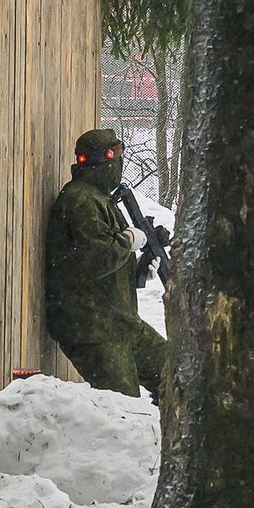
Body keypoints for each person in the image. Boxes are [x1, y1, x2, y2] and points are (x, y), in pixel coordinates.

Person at [45, 128, 170, 402]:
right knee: (122, 408)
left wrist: (138, 269)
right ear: (105, 160)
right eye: (116, 155)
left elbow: (98, 261)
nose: (119, 164)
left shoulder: (98, 198)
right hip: (94, 330)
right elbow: (96, 259)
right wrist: (128, 239)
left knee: (174, 375)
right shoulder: (82, 201)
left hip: (118, 323)